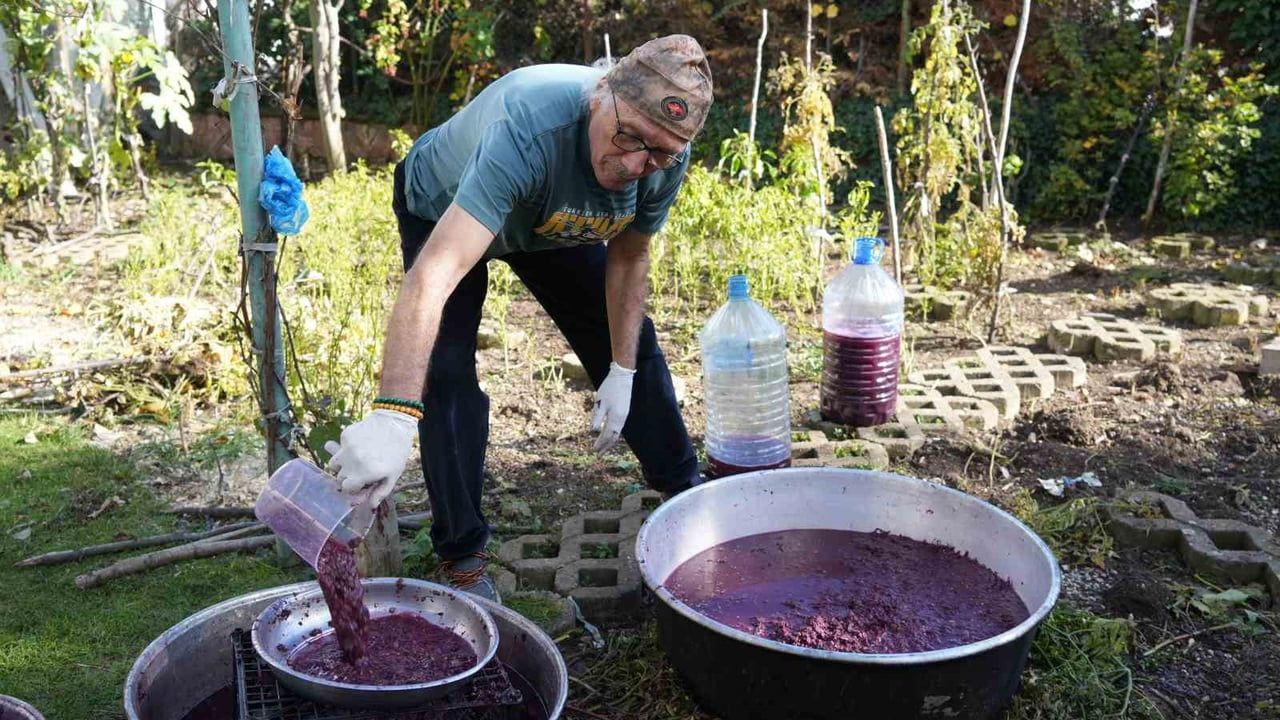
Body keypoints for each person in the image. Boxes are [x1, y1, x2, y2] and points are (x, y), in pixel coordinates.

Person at [323, 35, 714, 602]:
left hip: (550, 221)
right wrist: (392, 414)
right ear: (600, 94)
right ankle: (462, 556)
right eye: (627, 137)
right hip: (446, 205)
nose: (635, 163)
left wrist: (623, 371)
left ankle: (686, 495)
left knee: (628, 342)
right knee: (448, 376)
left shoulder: (662, 157)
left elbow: (630, 256)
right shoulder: (530, 128)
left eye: (657, 153)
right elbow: (434, 272)